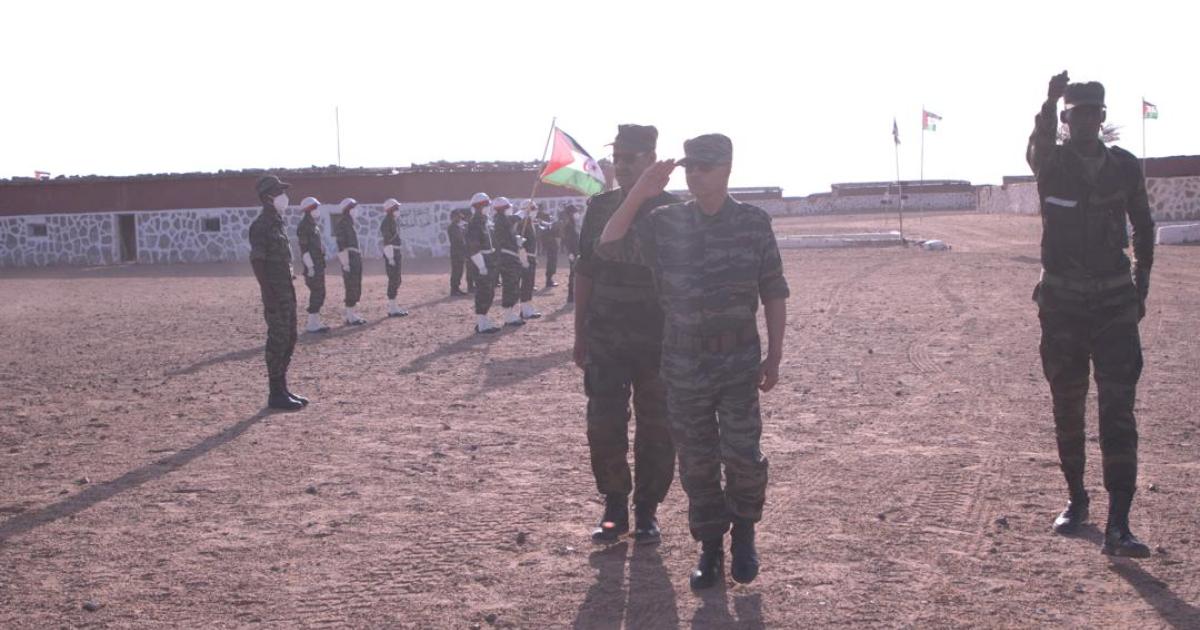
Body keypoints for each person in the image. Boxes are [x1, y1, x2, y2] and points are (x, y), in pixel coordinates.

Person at [596, 134, 789, 589]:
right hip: (682, 361)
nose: (695, 175)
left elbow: (774, 290)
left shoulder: (753, 222)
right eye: (690, 168)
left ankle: (744, 532)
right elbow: (608, 244)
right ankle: (709, 548)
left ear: (726, 170)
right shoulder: (665, 222)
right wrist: (639, 192)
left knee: (742, 454)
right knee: (698, 461)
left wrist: (775, 354)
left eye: (704, 167)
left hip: (738, 356)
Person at [1027, 72, 1155, 558]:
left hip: (1114, 304)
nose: (1085, 121)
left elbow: (1144, 226)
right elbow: (1037, 143)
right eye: (1076, 113)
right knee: (1068, 406)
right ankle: (1077, 499)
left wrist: (1140, 287)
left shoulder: (1123, 168)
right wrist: (1046, 99)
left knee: (1118, 411)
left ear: (1101, 118)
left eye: (1093, 113)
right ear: (1066, 119)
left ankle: (1119, 522)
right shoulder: (1051, 166)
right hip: (1062, 308)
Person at [574, 124, 678, 546]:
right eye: (617, 157)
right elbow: (585, 271)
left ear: (651, 159)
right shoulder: (600, 207)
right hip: (606, 335)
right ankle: (615, 506)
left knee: (657, 427)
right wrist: (579, 332)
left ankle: (648, 511)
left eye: (629, 158)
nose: (620, 164)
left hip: (658, 337)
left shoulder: (674, 211)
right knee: (604, 423)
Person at [248, 175, 308, 411]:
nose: (284, 196)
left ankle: (283, 388)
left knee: (290, 337)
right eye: (278, 191)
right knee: (277, 339)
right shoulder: (261, 224)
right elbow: (257, 261)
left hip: (286, 290)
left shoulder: (277, 222)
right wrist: (268, 293)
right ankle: (275, 393)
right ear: (267, 197)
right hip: (275, 292)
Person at [465, 192, 501, 333]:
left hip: (489, 260)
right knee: (483, 292)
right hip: (481, 261)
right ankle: (481, 323)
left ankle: (484, 320)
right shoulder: (475, 223)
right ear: (479, 206)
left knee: (489, 292)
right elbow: (473, 247)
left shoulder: (485, 221)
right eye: (486, 205)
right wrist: (481, 266)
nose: (489, 207)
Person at [296, 196, 331, 333]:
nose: (318, 210)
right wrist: (309, 266)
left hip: (318, 264)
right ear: (310, 209)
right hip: (313, 265)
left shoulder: (312, 224)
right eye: (316, 208)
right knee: (316, 292)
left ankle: (315, 322)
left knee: (320, 292)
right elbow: (304, 249)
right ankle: (311, 324)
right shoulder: (304, 226)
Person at [491, 196, 527, 327]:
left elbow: (508, 233)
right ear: (503, 209)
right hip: (507, 258)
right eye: (509, 207)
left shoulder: (503, 220)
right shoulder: (501, 220)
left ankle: (510, 313)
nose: (511, 209)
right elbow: (513, 219)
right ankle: (508, 315)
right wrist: (523, 212)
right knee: (510, 285)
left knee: (513, 285)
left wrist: (516, 240)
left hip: (510, 257)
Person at [334, 197, 367, 325]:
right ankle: (350, 316)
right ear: (348, 209)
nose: (356, 210)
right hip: (349, 257)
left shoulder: (350, 223)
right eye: (353, 208)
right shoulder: (343, 223)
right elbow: (341, 244)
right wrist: (345, 262)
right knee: (351, 285)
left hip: (354, 257)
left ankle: (352, 314)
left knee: (356, 284)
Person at [380, 198, 410, 317]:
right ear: (390, 209)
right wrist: (390, 257)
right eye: (396, 208)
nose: (398, 210)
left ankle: (394, 305)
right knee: (393, 279)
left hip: (395, 252)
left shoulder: (392, 221)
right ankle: (392, 308)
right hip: (391, 252)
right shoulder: (387, 222)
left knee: (397, 279)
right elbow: (387, 241)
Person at [517, 201, 543, 320]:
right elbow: (520, 244)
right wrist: (524, 259)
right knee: (526, 284)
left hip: (531, 256)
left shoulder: (530, 222)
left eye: (535, 208)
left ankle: (527, 307)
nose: (535, 210)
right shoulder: (523, 223)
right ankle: (525, 310)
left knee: (530, 283)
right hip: (526, 257)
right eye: (532, 208)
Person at [559, 204, 581, 303]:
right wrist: (570, 253)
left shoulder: (574, 224)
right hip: (573, 252)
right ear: (570, 214)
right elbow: (568, 240)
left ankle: (574, 295)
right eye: (575, 212)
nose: (577, 214)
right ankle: (571, 296)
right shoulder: (569, 225)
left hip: (577, 251)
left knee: (576, 273)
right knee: (573, 274)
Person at [448, 208, 469, 296]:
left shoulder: (457, 227)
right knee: (456, 271)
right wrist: (464, 232)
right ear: (453, 217)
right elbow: (459, 239)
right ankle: (454, 289)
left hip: (459, 251)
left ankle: (456, 288)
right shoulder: (453, 227)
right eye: (458, 217)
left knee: (459, 271)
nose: (460, 219)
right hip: (456, 252)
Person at [539, 206, 560, 288]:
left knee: (552, 262)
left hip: (551, 246)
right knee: (551, 262)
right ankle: (549, 280)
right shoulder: (546, 228)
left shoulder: (547, 227)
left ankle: (549, 279)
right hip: (551, 246)